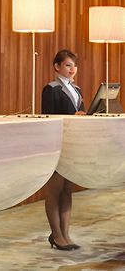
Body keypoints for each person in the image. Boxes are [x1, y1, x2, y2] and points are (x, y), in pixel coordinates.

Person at [42, 49, 86, 251]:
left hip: (72, 145)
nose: (72, 69)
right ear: (57, 67)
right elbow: (48, 118)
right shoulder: (51, 89)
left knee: (67, 191)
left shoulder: (77, 90)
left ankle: (66, 235)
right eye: (68, 65)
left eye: (74, 65)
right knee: (54, 191)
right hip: (57, 143)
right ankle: (56, 234)